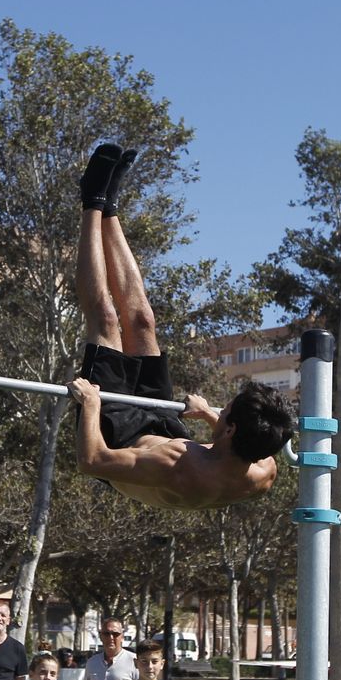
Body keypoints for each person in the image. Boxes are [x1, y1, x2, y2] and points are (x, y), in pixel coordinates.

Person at [66, 142, 295, 510]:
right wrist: (206, 414)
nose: (220, 412)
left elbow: (90, 462)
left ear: (231, 429)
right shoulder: (264, 466)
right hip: (166, 429)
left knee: (106, 319)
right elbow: (232, 436)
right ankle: (110, 207)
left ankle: (91, 199)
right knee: (143, 322)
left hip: (121, 438)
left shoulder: (177, 466)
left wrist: (92, 404)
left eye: (225, 412)